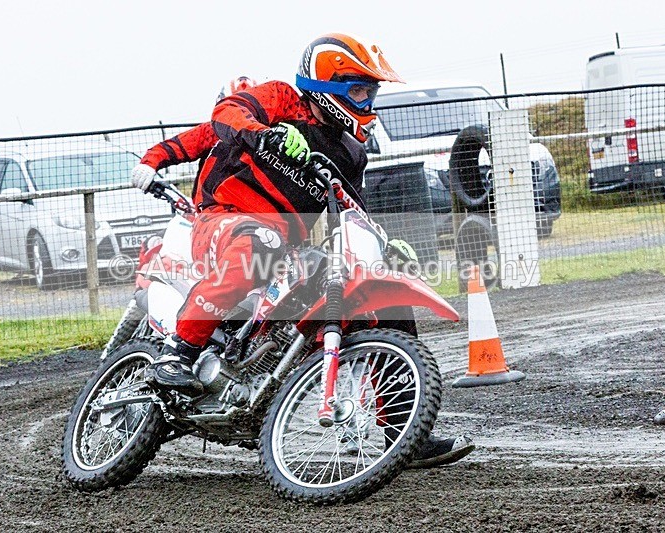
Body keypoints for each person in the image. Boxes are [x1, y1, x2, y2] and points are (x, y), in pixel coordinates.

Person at [132, 33, 473, 468]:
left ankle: (402, 434)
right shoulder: (278, 97)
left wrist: (384, 243)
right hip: (222, 216)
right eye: (359, 91)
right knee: (262, 242)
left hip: (283, 243)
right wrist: (266, 135)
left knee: (384, 307)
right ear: (328, 89)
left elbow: (351, 206)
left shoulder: (351, 151)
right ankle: (179, 352)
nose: (368, 102)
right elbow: (226, 114)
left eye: (371, 92)